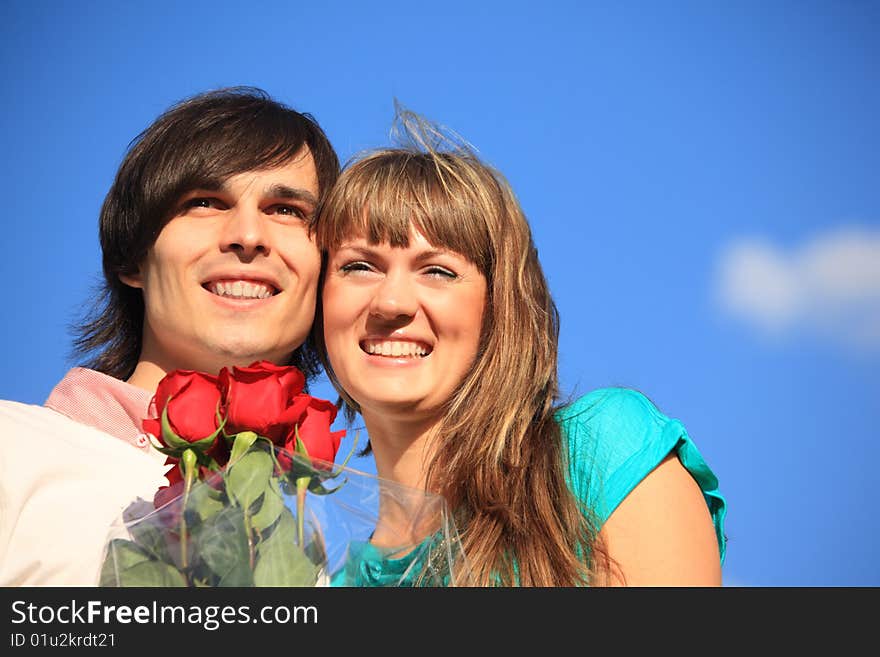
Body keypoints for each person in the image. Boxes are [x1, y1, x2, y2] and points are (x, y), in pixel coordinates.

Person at [315, 110, 727, 586]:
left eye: (438, 271)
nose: (390, 302)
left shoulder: (595, 456)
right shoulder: (328, 585)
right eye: (360, 267)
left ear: (500, 308)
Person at [0, 87, 340, 585]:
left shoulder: (330, 542)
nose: (247, 235)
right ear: (131, 258)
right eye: (203, 202)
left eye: (286, 209)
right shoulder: (15, 447)